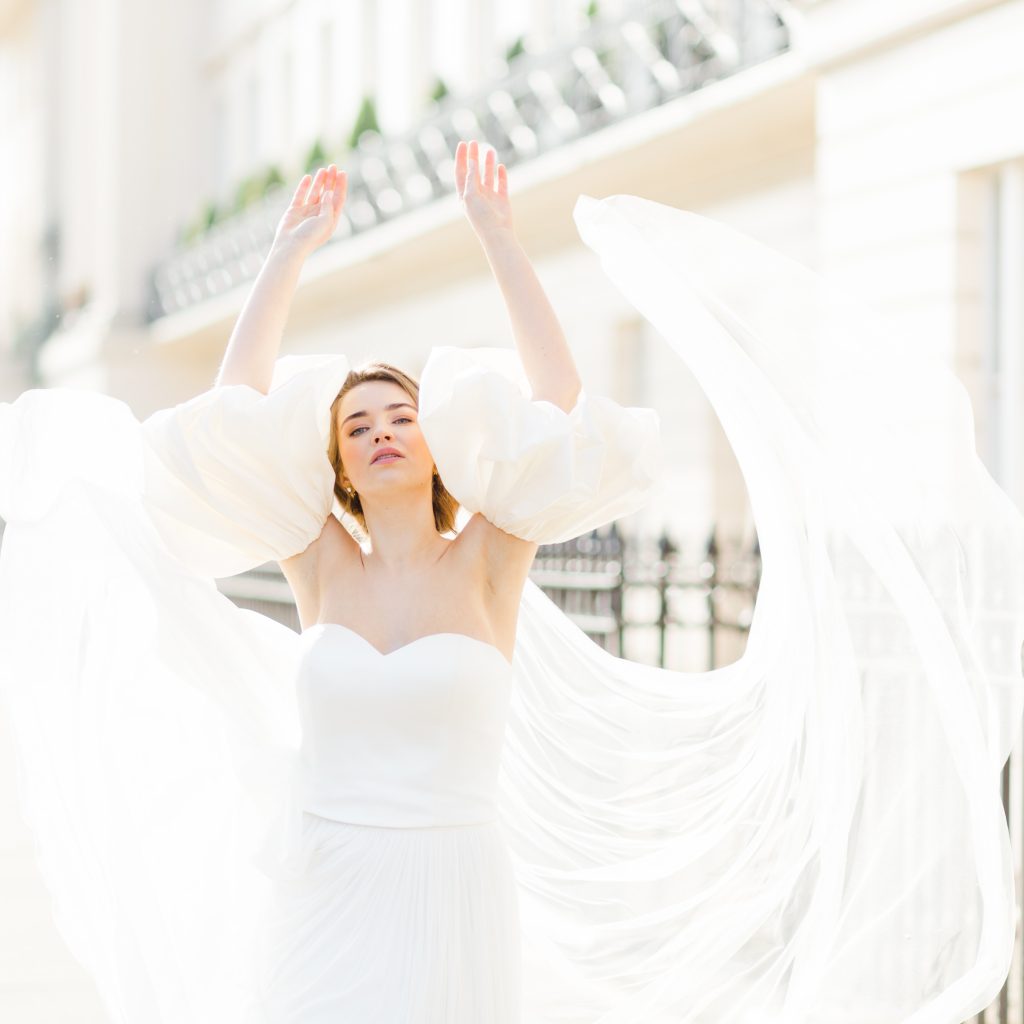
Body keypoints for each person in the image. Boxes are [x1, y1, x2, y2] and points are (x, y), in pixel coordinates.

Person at [1, 136, 1023, 1024]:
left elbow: (559, 404)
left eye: (398, 415)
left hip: (449, 887)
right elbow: (231, 417)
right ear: (339, 465)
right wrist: (285, 258)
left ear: (436, 441)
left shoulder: (492, 550)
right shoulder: (315, 557)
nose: (382, 431)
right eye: (356, 426)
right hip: (323, 882)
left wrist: (499, 236)